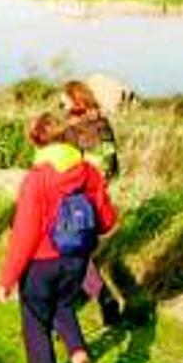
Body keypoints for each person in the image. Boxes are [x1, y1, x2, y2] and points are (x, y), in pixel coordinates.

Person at [0, 113, 117, 363]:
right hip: (77, 258)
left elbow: (24, 234)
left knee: (35, 316)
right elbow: (107, 220)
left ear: (36, 141)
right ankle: (78, 354)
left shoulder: (36, 179)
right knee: (62, 305)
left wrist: (8, 278)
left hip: (41, 261)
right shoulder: (89, 172)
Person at [60, 80, 122, 326]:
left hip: (77, 197)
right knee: (80, 251)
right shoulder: (103, 124)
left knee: (71, 251)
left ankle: (95, 298)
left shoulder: (73, 130)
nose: (60, 103)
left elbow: (66, 167)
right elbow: (114, 166)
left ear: (75, 100)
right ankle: (100, 298)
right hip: (99, 196)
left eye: (63, 98)